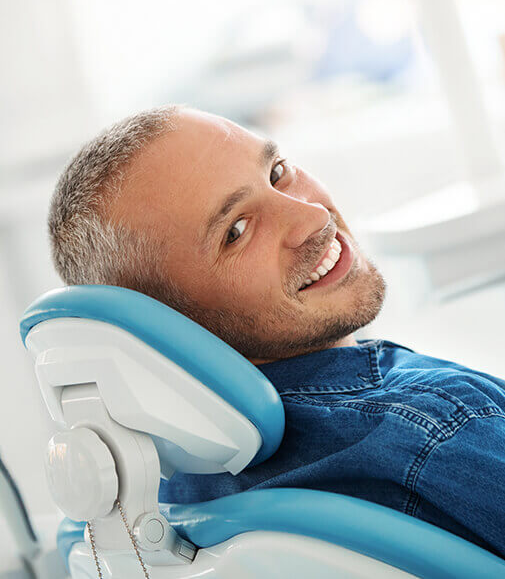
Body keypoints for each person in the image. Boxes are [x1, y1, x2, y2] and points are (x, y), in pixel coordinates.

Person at [48, 105, 505, 558]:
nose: (311, 216)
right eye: (237, 230)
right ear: (171, 325)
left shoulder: (154, 505)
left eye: (277, 171)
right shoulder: (439, 427)